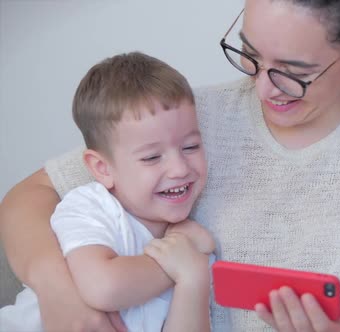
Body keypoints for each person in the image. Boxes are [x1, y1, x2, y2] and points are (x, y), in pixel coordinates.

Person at [0, 0, 340, 331]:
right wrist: (58, 291)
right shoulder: (193, 120)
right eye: (251, 55)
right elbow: (28, 198)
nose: (264, 88)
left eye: (293, 70)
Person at [0, 52, 214, 332]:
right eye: (151, 157)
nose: (179, 168)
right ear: (102, 168)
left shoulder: (192, 245)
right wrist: (178, 267)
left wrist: (193, 280)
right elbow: (103, 287)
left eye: (190, 147)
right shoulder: (90, 206)